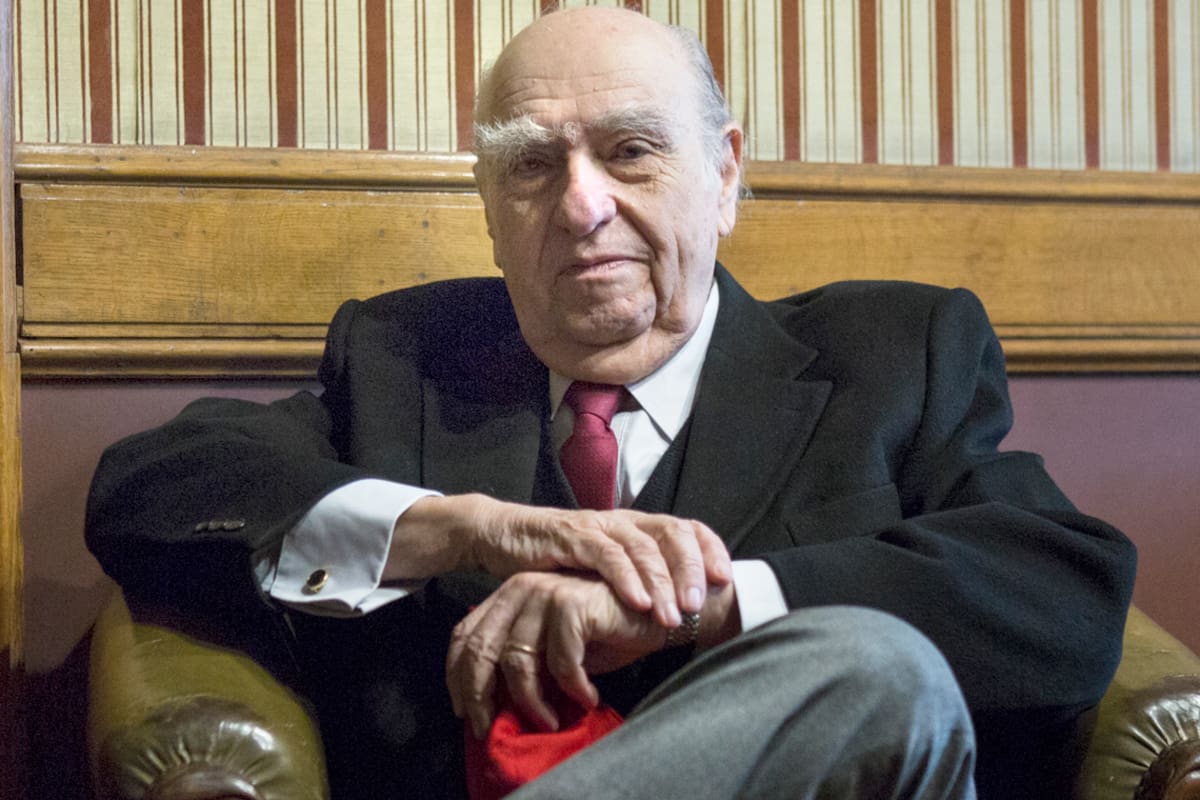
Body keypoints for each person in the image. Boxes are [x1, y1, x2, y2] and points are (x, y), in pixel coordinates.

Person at [86, 7, 1135, 800]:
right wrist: (465, 527)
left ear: (723, 174)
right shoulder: (405, 358)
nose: (582, 205)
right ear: (489, 209)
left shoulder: (896, 354)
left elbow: (1060, 589)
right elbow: (153, 483)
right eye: (532, 165)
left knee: (877, 671)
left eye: (630, 150)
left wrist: (699, 604)